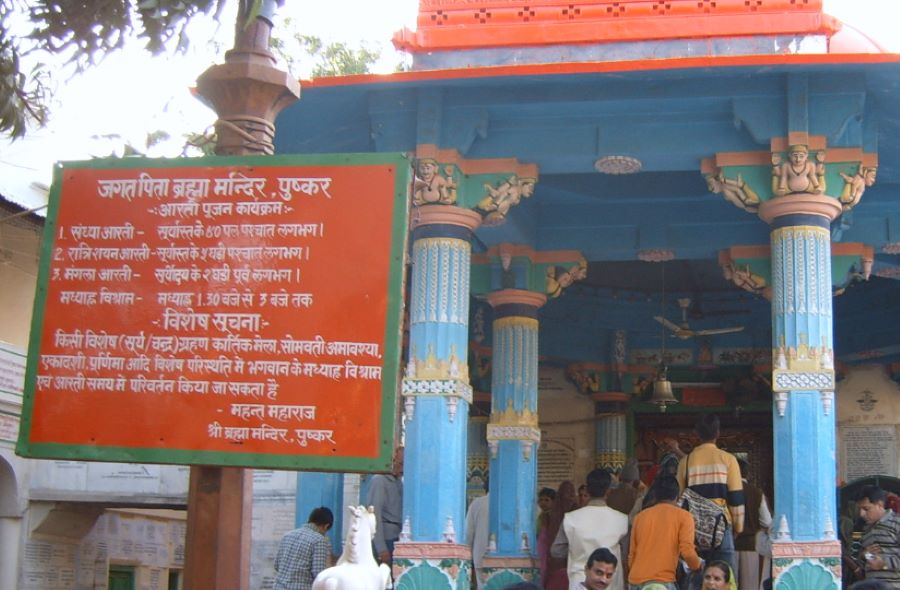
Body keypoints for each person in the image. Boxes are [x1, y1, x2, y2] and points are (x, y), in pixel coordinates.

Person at [676, 415, 744, 582]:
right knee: (726, 577)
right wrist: (738, 527)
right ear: (718, 433)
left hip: (694, 528)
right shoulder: (728, 460)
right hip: (722, 525)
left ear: (696, 434)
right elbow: (736, 498)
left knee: (697, 576)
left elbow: (679, 499)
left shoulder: (686, 462)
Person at [551, 469, 629, 590]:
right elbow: (625, 554)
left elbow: (556, 551)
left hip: (579, 581)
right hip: (610, 583)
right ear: (608, 490)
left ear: (587, 489)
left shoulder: (571, 519)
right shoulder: (622, 520)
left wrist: (576, 549)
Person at [628, 474, 703, 590]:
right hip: (662, 582)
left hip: (635, 580)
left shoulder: (640, 517)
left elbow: (632, 555)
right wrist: (698, 566)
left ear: (655, 495)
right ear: (677, 496)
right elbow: (687, 551)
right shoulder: (684, 517)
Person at [273, 506, 334, 590]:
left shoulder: (287, 535)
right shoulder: (319, 540)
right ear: (326, 526)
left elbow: (276, 565)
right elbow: (319, 574)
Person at [734, 458, 772, 590]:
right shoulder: (756, 492)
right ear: (747, 474)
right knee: (750, 585)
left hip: (730, 545)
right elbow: (767, 522)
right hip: (751, 545)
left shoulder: (726, 491)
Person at [856, 485, 900, 586]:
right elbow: (865, 562)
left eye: (866, 509)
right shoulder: (866, 530)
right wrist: (864, 555)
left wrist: (884, 563)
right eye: (860, 509)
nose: (861, 514)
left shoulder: (897, 523)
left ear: (880, 505)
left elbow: (880, 563)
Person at [367, 446, 403, 566]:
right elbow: (374, 513)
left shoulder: (399, 482)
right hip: (386, 537)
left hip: (397, 537)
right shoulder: (380, 480)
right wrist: (381, 547)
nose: (402, 469)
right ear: (392, 461)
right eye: (400, 464)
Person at [539, 480, 579, 590]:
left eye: (570, 495)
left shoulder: (578, 514)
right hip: (554, 562)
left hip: (571, 562)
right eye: (563, 496)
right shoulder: (549, 516)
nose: (567, 499)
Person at [466, 479, 490, 590]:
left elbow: (468, 535)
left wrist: (467, 560)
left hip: (481, 556)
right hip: (513, 561)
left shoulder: (477, 504)